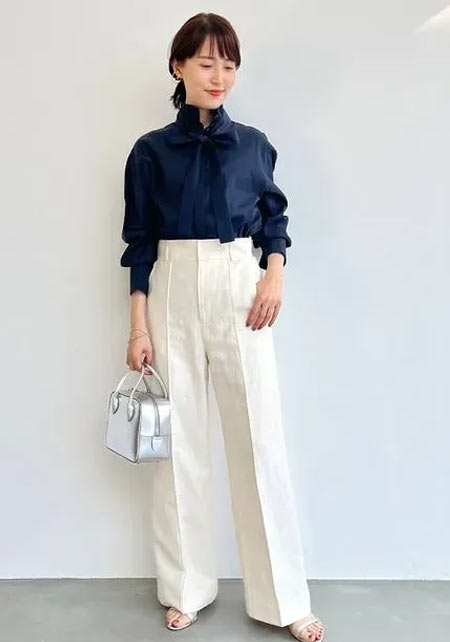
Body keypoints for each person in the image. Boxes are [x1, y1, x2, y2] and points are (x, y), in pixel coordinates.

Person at [120, 12, 325, 642]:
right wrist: (138, 327)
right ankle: (185, 589)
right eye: (207, 63)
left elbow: (274, 223)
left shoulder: (254, 144)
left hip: (241, 286)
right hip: (173, 287)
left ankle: (284, 599)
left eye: (229, 65)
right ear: (179, 67)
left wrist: (273, 278)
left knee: (259, 438)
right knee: (178, 444)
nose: (220, 76)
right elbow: (139, 244)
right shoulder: (150, 151)